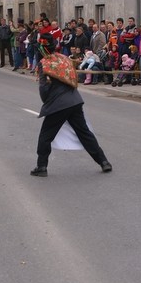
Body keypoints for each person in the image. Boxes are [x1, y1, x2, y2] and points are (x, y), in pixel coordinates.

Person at [30, 32, 112, 177]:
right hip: (74, 101)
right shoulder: (64, 58)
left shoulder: (45, 63)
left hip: (58, 104)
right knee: (84, 133)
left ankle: (41, 166)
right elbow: (73, 78)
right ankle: (103, 161)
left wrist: (47, 102)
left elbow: (44, 89)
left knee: (45, 136)